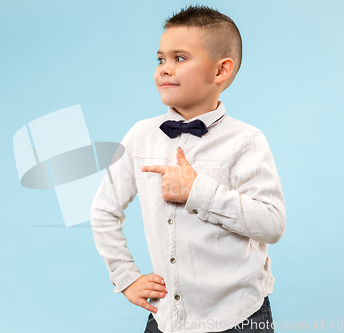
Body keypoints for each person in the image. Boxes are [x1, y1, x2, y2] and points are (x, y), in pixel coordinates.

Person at [90, 4, 285, 333]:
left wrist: (198, 192)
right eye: (160, 59)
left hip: (240, 317)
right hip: (167, 319)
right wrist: (125, 277)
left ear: (221, 71)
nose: (164, 69)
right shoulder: (141, 136)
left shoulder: (246, 141)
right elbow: (103, 210)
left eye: (179, 58)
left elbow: (272, 224)